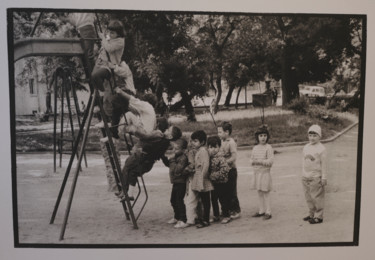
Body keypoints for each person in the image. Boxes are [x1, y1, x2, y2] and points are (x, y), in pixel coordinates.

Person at [120, 118, 182, 200]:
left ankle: (126, 191)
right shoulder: (164, 141)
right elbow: (160, 153)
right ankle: (128, 193)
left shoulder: (163, 142)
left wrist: (145, 149)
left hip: (145, 161)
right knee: (132, 172)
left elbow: (154, 150)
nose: (166, 130)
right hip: (147, 161)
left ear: (170, 136)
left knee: (129, 169)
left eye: (168, 130)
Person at [302, 124, 327, 224]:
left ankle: (319, 216)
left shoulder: (321, 149)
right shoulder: (306, 147)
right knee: (308, 197)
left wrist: (324, 177)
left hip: (316, 177)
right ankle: (311, 213)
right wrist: (303, 174)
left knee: (317, 197)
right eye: (310, 135)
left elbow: (324, 164)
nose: (312, 138)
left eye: (315, 135)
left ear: (319, 136)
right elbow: (303, 162)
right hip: (305, 176)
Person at [91, 19, 125, 92]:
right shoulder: (111, 37)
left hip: (109, 65)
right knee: (93, 77)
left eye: (112, 33)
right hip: (100, 62)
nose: (109, 34)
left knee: (96, 76)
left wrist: (103, 38)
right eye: (109, 32)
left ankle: (102, 93)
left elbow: (109, 48)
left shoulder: (120, 42)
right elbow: (105, 44)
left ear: (118, 34)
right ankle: (99, 95)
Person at [217, 121, 241, 220]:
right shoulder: (221, 142)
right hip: (223, 171)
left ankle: (235, 210)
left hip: (231, 170)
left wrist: (225, 162)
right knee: (224, 191)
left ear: (226, 132)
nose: (218, 134)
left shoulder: (231, 142)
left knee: (231, 191)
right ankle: (225, 209)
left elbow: (234, 156)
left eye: (220, 132)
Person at [250, 125, 274, 220]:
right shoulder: (255, 148)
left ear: (267, 136)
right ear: (257, 137)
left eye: (264, 135)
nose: (263, 138)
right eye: (261, 136)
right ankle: (261, 210)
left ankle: (268, 211)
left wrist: (260, 161)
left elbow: (270, 162)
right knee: (259, 192)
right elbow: (251, 160)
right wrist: (253, 162)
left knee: (266, 192)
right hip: (257, 173)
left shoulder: (268, 147)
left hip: (265, 173)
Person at [164, 138, 189, 229]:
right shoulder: (177, 157)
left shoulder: (183, 158)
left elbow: (176, 170)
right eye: (173, 148)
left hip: (181, 182)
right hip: (176, 182)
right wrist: (164, 158)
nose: (174, 150)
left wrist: (172, 159)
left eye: (177, 149)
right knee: (173, 200)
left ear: (183, 150)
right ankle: (177, 217)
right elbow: (169, 165)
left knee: (179, 201)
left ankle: (183, 220)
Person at [190, 130, 213, 228]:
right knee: (201, 199)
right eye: (192, 141)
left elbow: (206, 165)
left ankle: (206, 219)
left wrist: (202, 178)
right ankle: (201, 217)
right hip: (199, 176)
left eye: (195, 141)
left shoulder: (203, 151)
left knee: (205, 200)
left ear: (202, 142)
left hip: (203, 178)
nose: (193, 143)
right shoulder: (199, 151)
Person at [207, 136, 231, 224]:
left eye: (215, 147)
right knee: (213, 199)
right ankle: (216, 215)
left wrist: (214, 175)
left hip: (222, 182)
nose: (213, 149)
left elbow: (225, 169)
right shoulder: (209, 158)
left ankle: (226, 215)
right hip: (213, 183)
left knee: (223, 200)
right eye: (210, 147)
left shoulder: (221, 158)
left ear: (219, 147)